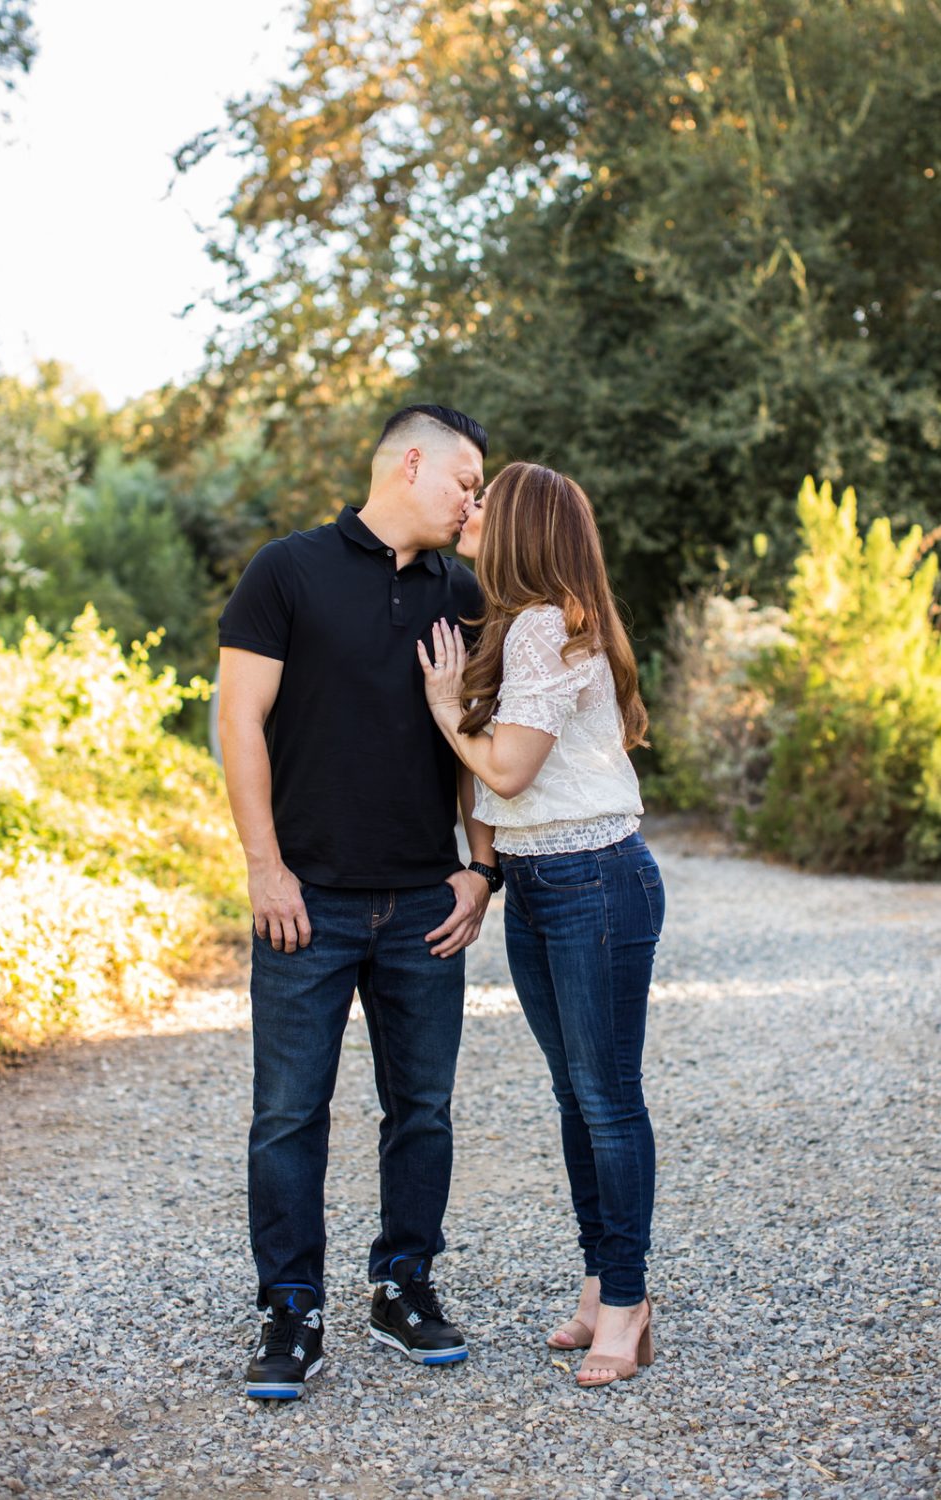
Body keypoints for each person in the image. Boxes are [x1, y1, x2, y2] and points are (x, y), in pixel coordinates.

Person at [217, 405, 503, 1400]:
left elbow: (476, 738)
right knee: (288, 1117)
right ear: (410, 462)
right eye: (467, 477)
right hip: (307, 903)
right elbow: (237, 721)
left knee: (420, 1111)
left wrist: (480, 867)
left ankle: (403, 1284)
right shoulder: (286, 571)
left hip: (427, 901)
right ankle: (290, 1309)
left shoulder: (462, 592)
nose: (476, 497)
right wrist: (264, 866)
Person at [419, 460, 664, 1390]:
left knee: (605, 1100)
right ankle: (605, 1285)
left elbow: (508, 771)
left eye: (489, 500)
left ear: (523, 524)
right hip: (546, 881)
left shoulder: (544, 627)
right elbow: (502, 785)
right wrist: (486, 869)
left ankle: (630, 1299)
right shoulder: (528, 624)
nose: (470, 509)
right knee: (579, 1100)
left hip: (595, 881)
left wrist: (446, 709)